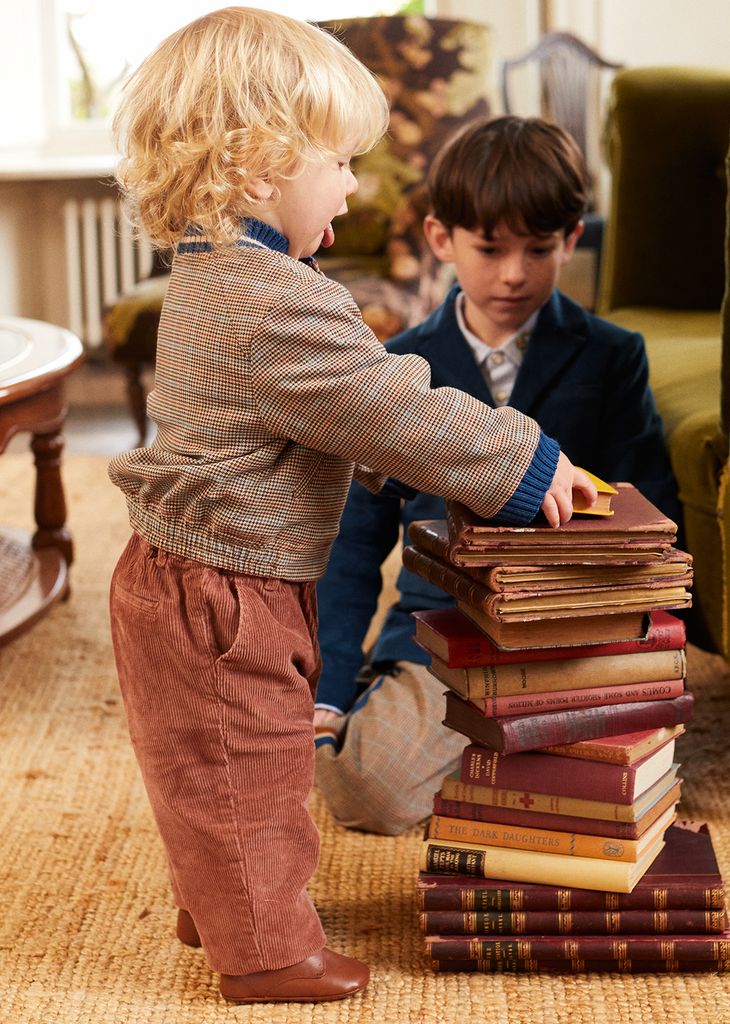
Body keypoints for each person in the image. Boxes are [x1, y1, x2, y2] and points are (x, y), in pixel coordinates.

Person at [106, 10, 596, 1006]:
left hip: (180, 569)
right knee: (254, 774)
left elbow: (302, 421)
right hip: (224, 590)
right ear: (257, 167)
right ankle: (267, 951)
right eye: (337, 160)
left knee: (201, 766)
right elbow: (391, 409)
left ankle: (217, 900)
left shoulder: (207, 279)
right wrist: (527, 462)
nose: (353, 184)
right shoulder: (280, 300)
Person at [313, 115, 682, 837]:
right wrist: (326, 693)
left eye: (538, 249)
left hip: (579, 638)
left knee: (633, 791)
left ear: (572, 240)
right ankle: (467, 735)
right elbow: (352, 547)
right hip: (443, 641)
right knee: (365, 795)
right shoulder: (391, 371)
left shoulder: (614, 356)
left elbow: (656, 519)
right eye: (489, 248)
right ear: (441, 238)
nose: (513, 273)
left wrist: (643, 653)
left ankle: (523, 751)